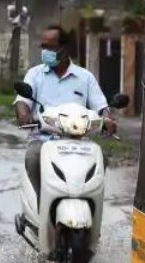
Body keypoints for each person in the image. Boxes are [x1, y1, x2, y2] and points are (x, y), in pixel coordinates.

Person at [14, 25, 117, 204]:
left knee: (101, 159)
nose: (45, 51)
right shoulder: (35, 74)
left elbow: (101, 106)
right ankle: (42, 204)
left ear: (65, 49)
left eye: (51, 47)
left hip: (78, 141)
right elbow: (22, 101)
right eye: (43, 47)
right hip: (44, 140)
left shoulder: (85, 78)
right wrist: (24, 115)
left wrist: (107, 118)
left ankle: (91, 209)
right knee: (32, 158)